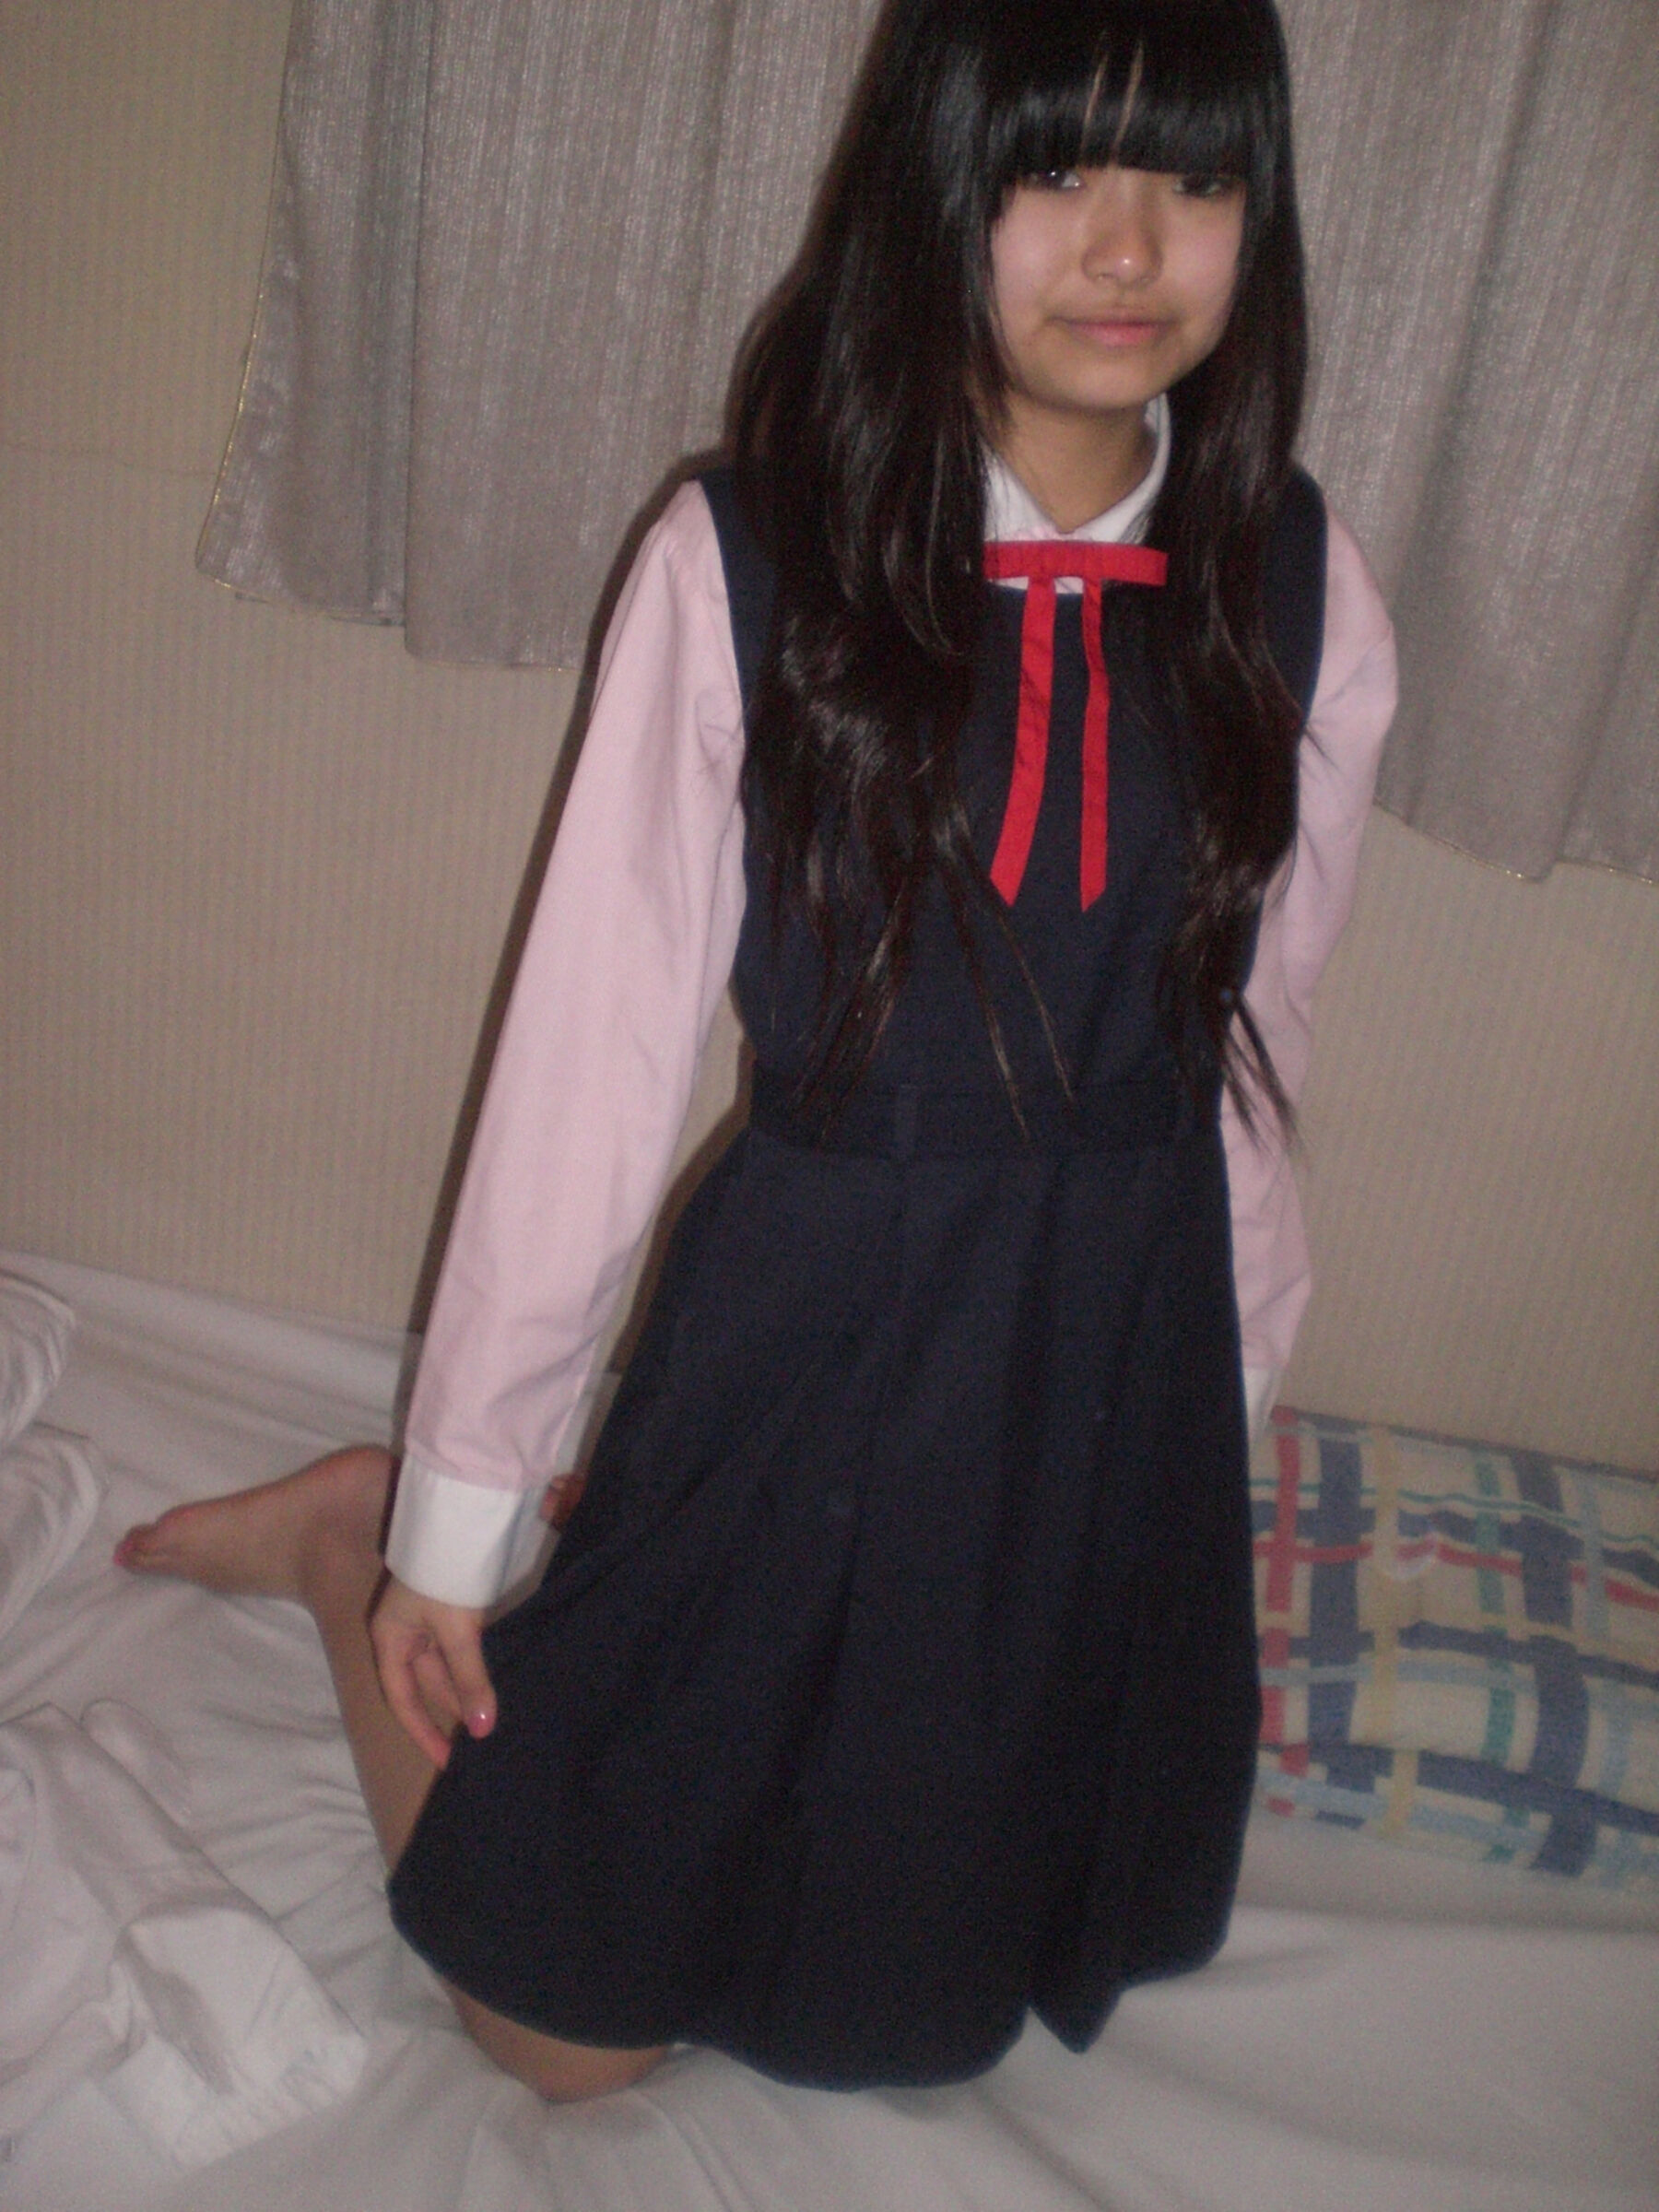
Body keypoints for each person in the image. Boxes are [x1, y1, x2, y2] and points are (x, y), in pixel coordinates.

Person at [119, 0, 1396, 2104]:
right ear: (937, 183)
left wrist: (1216, 1407)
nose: (1128, 245)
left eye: (1197, 175)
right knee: (563, 2047)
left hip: (1107, 1339)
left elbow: (1262, 1031)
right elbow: (590, 1064)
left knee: (937, 1985)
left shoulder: (1300, 581)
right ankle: (346, 1544)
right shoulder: (755, 558)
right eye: (1054, 168)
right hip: (816, 1327)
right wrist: (453, 1517)